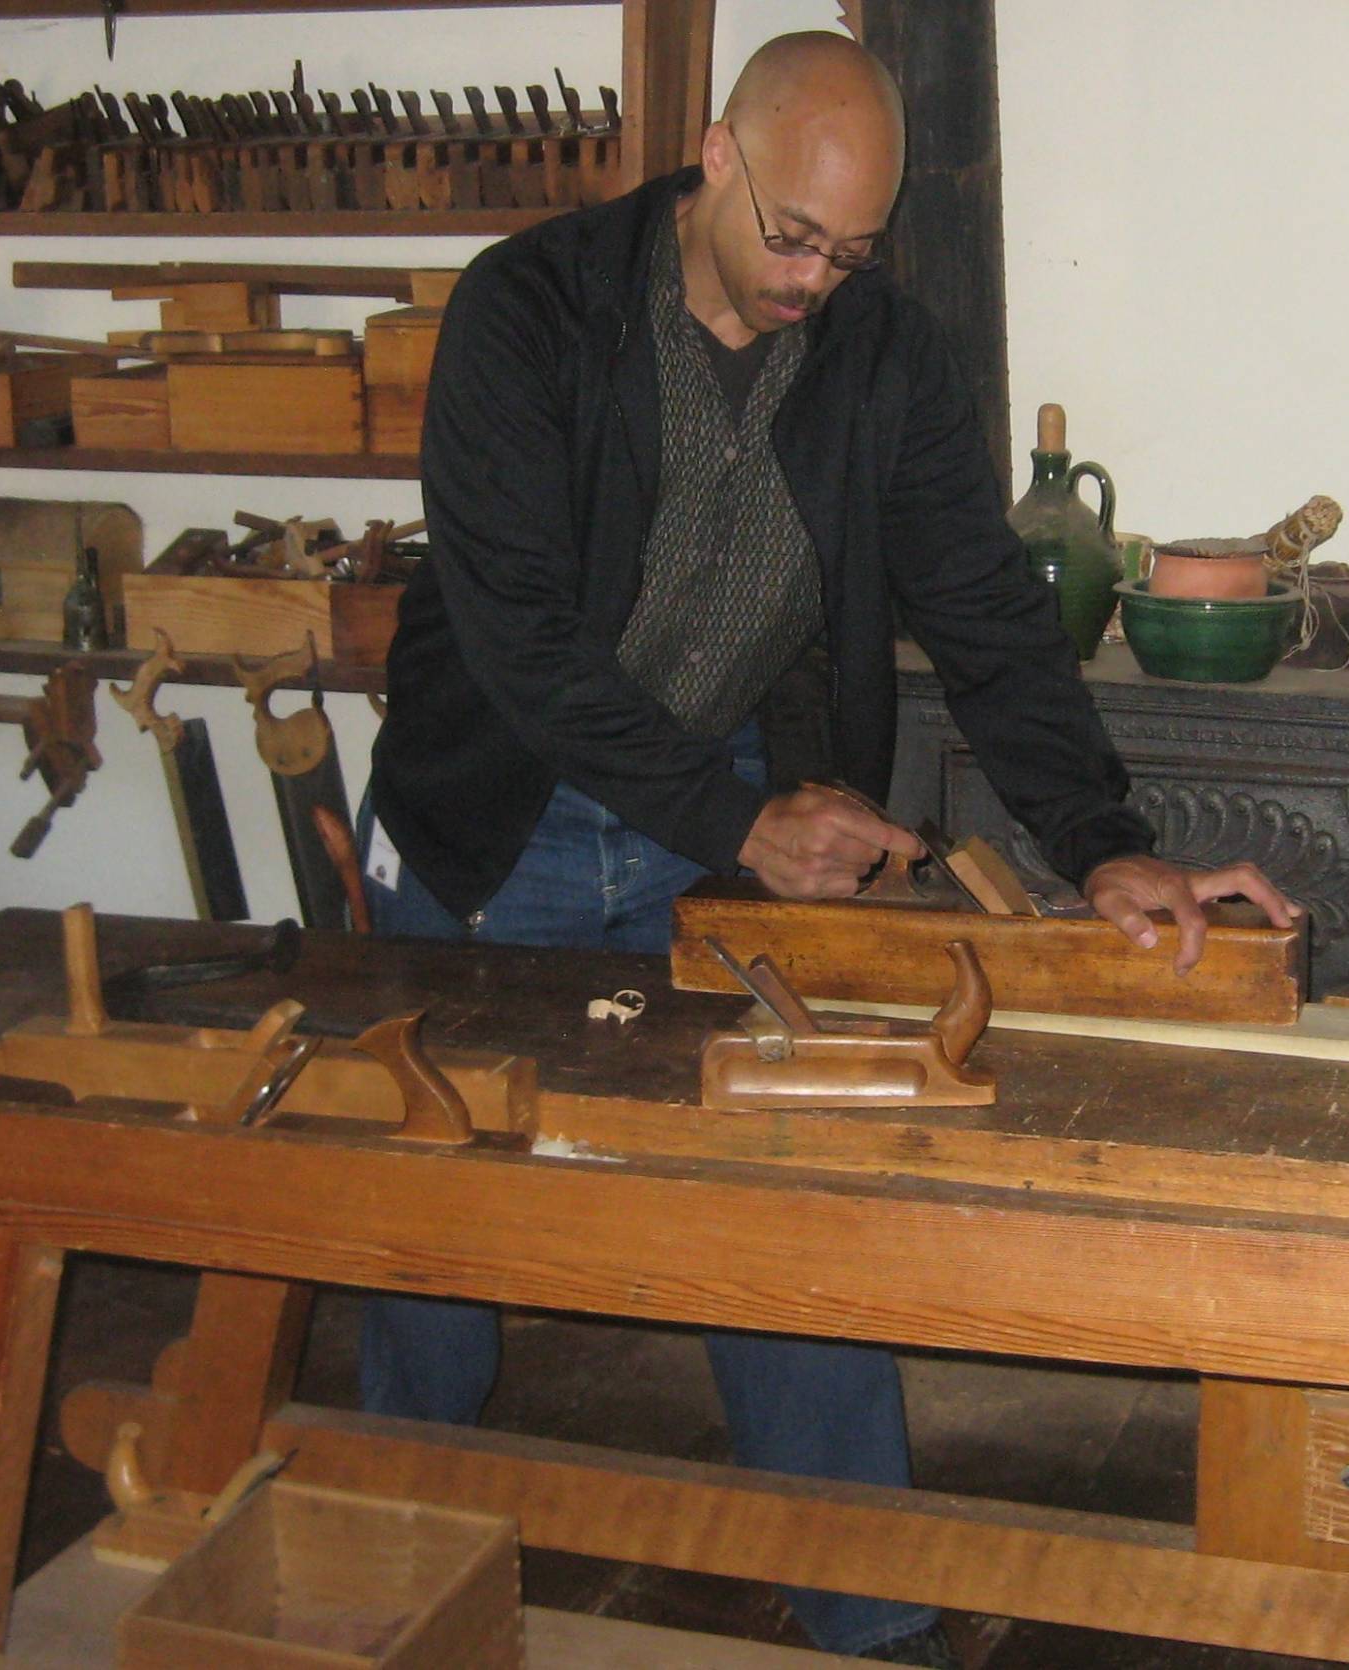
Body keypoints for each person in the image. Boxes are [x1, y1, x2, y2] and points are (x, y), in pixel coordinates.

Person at [358, 32, 1291, 1664]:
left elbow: (992, 623)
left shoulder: (887, 362)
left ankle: (871, 1604)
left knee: (784, 1193)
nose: (814, 280)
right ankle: (387, 1555)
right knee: (430, 1216)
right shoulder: (531, 307)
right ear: (716, 157)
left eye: (850, 253)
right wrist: (738, 818)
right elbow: (514, 631)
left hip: (711, 823)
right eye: (791, 234)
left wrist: (1104, 844)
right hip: (488, 813)